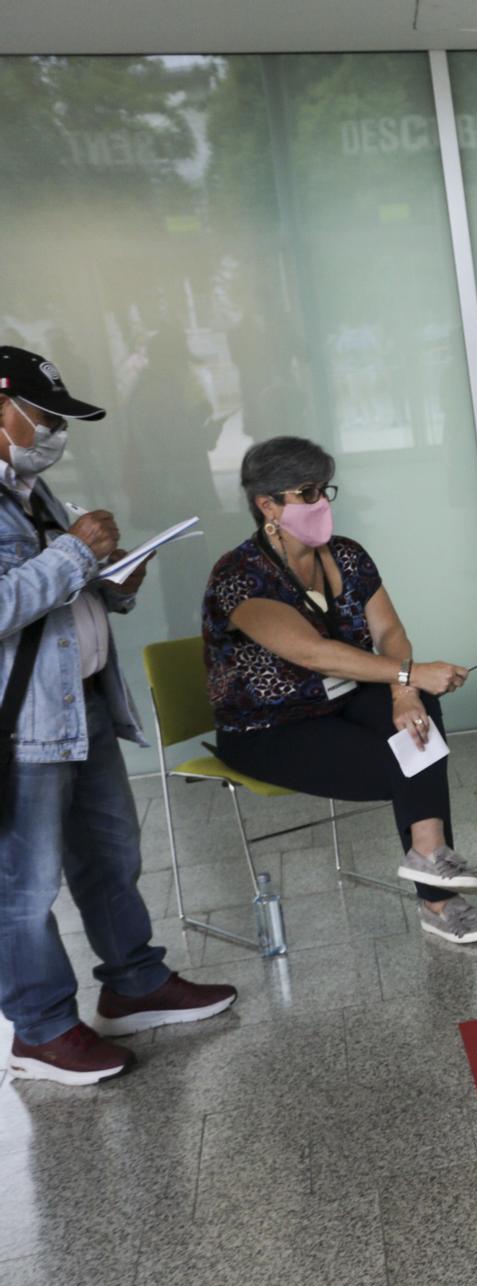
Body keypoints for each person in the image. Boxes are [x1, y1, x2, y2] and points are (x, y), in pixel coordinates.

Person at [0, 345, 237, 1086]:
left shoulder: (31, 491)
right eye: (41, 415)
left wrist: (114, 577)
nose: (52, 431)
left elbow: (63, 595)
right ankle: (41, 1029)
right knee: (24, 885)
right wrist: (74, 555)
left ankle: (134, 982)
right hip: (24, 725)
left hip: (82, 705)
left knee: (109, 857)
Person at [201, 437, 477, 945]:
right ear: (267, 505)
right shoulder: (239, 576)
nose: (322, 503)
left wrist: (405, 690)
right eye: (307, 492)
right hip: (269, 727)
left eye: (324, 489)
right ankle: (438, 894)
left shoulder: (348, 555)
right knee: (405, 759)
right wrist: (407, 675)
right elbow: (310, 652)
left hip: (341, 703)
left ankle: (430, 863)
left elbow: (389, 634)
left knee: (418, 712)